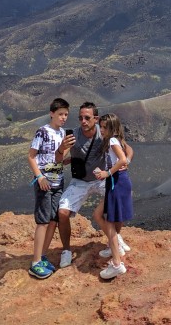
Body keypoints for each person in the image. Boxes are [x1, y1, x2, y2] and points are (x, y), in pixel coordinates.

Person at [55, 102, 134, 268]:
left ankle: (114, 240)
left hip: (102, 179)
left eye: (87, 118)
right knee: (62, 212)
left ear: (96, 119)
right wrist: (62, 149)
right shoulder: (74, 135)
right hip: (81, 181)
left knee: (115, 205)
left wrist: (127, 161)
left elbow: (128, 150)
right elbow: (58, 160)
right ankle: (67, 250)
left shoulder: (104, 133)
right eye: (80, 118)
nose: (83, 121)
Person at [27, 97, 69, 279]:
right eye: (60, 114)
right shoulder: (42, 132)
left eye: (66, 114)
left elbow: (58, 160)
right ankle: (35, 262)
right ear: (51, 113)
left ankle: (42, 256)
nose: (63, 118)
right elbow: (31, 156)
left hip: (58, 180)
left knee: (53, 220)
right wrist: (39, 176)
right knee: (43, 221)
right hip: (44, 181)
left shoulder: (63, 134)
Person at [92, 113, 133, 279]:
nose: (102, 130)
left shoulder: (112, 140)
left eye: (105, 127)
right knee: (100, 215)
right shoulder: (115, 140)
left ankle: (116, 263)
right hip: (117, 181)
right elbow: (126, 156)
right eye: (100, 127)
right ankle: (114, 244)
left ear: (113, 128)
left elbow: (122, 159)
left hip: (116, 182)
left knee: (108, 220)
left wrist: (107, 173)